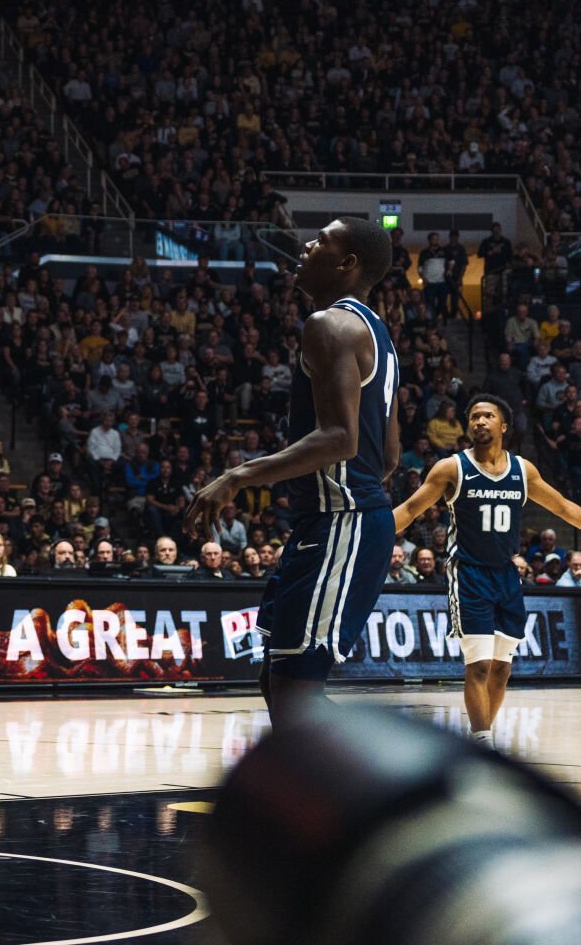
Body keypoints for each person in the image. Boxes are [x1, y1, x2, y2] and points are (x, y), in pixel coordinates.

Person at [186, 217, 400, 724]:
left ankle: (367, 791)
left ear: (347, 263)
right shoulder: (378, 333)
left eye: (322, 240)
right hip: (335, 521)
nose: (308, 245)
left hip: (340, 523)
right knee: (277, 679)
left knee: (293, 690)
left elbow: (341, 439)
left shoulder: (329, 325)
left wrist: (237, 476)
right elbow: (388, 456)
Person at [392, 394, 581, 746]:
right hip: (469, 574)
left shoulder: (523, 470)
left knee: (502, 669)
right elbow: (410, 509)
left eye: (488, 416)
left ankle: (479, 737)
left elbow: (565, 509)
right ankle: (483, 741)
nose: (479, 421)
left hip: (507, 575)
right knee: (478, 666)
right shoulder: (451, 468)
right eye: (474, 417)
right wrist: (366, 537)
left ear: (503, 425)